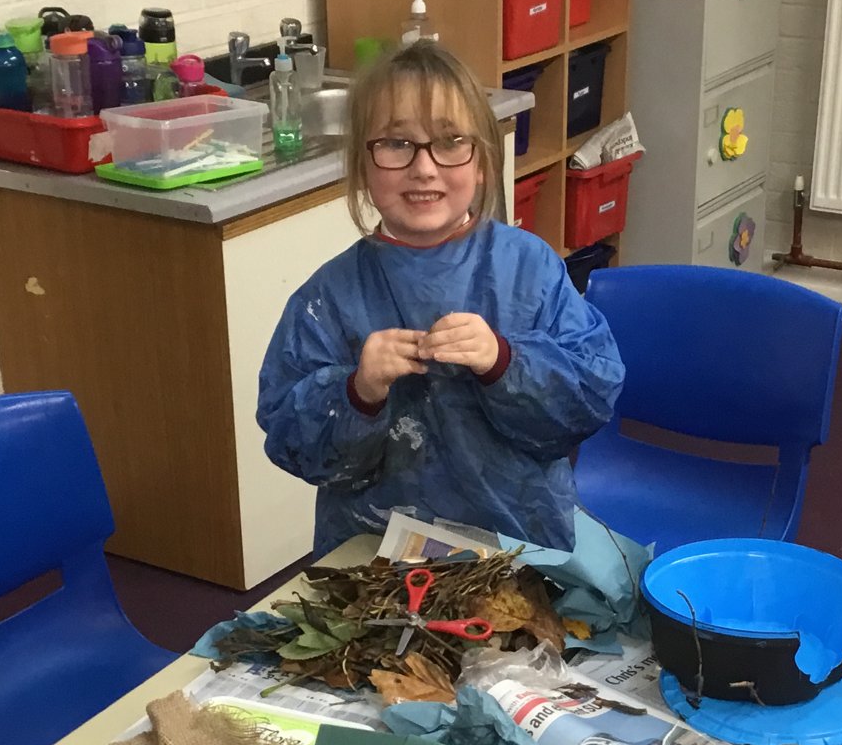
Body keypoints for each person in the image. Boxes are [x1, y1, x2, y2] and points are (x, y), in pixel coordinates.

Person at [256, 40, 623, 553]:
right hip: (374, 555)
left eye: (451, 142)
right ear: (363, 165)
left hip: (516, 545)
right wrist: (358, 390)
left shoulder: (527, 269)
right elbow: (294, 444)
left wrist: (504, 361)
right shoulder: (328, 298)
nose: (424, 168)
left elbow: (589, 400)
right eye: (396, 143)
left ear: (482, 163)